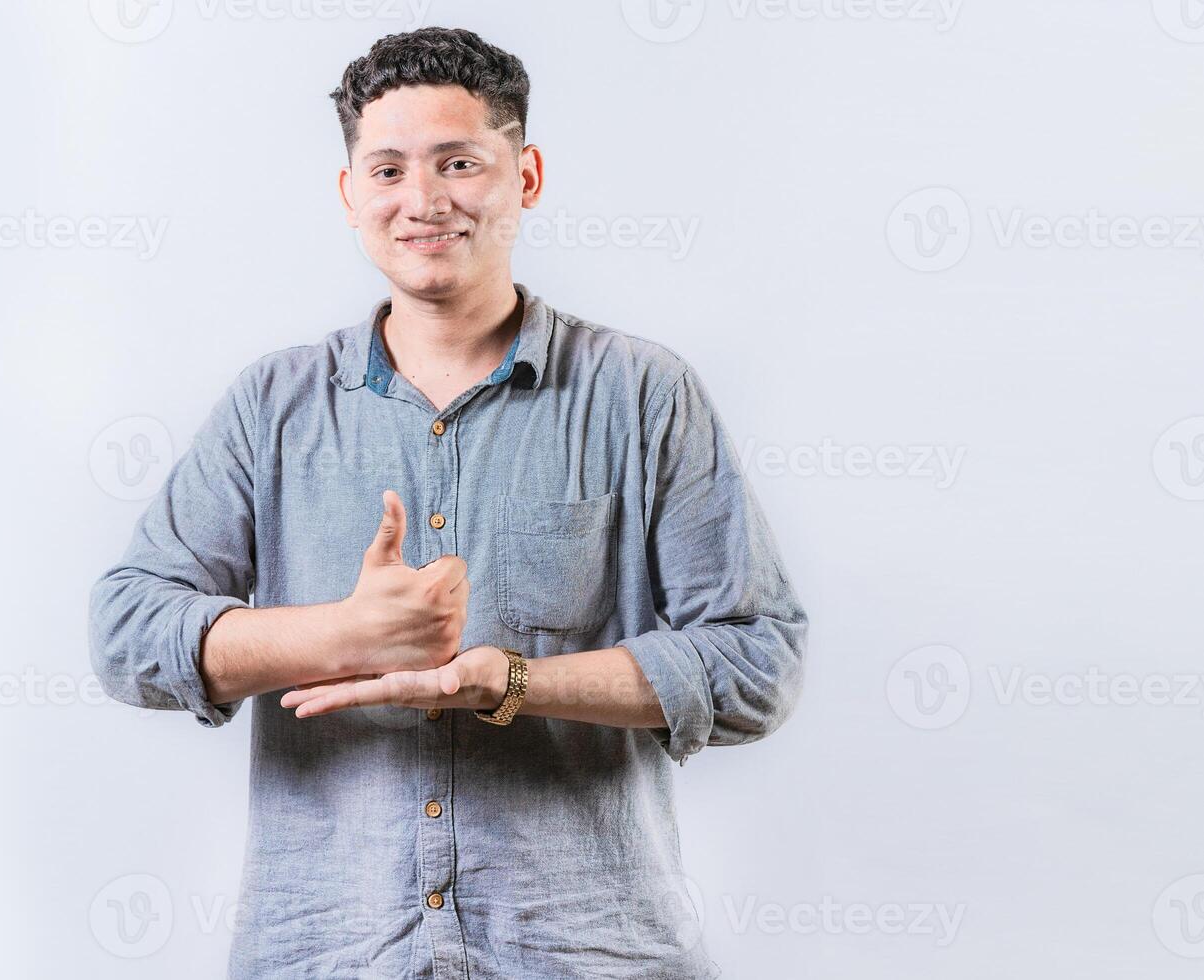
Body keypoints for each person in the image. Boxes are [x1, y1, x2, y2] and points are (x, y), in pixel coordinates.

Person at [89, 26, 807, 979]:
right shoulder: (272, 408)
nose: (422, 201)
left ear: (526, 175)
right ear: (349, 193)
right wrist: (342, 635)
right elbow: (129, 632)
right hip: (327, 954)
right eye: (385, 170)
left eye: (458, 162)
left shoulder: (641, 395)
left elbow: (757, 657)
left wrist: (509, 683)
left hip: (585, 954)